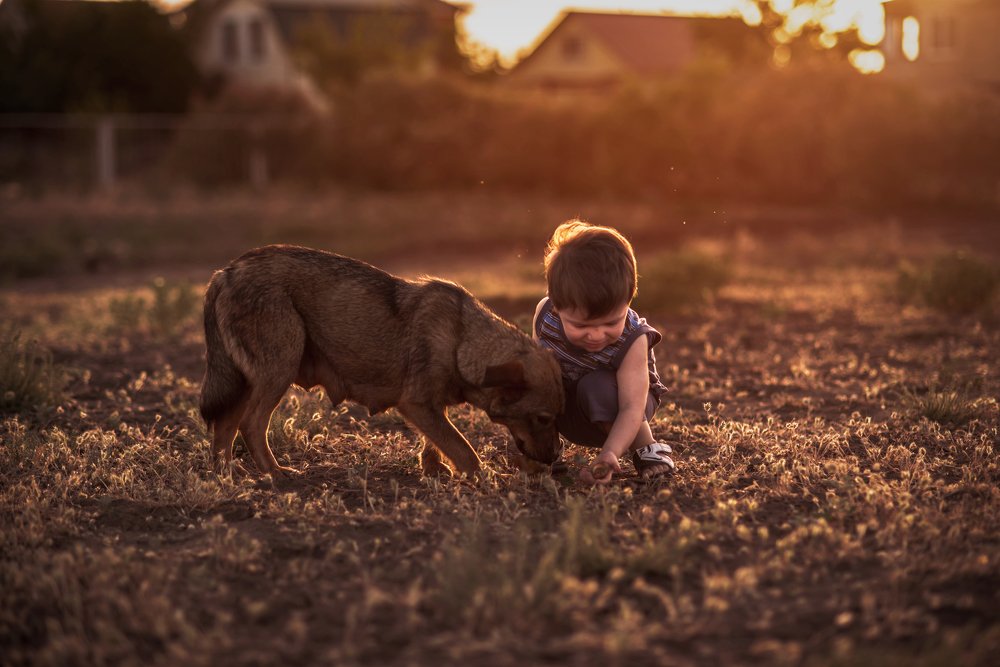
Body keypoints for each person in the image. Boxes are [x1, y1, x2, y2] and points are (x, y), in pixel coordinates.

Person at [532, 220, 676, 484]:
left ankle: (647, 449)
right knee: (535, 377)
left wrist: (610, 453)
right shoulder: (545, 316)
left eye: (611, 322)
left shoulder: (633, 339)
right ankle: (545, 452)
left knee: (596, 385)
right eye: (581, 325)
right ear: (556, 303)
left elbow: (632, 406)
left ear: (630, 298)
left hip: (622, 408)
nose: (597, 335)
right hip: (571, 409)